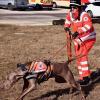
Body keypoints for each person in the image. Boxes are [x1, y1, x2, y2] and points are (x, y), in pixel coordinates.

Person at [64, 0, 96, 85]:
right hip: (79, 39)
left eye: (74, 7)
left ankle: (87, 78)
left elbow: (88, 26)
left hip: (89, 38)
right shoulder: (70, 13)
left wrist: (78, 31)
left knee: (82, 56)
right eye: (71, 7)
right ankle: (82, 77)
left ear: (79, 8)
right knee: (78, 58)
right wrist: (66, 27)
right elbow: (67, 21)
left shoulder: (84, 15)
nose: (72, 9)